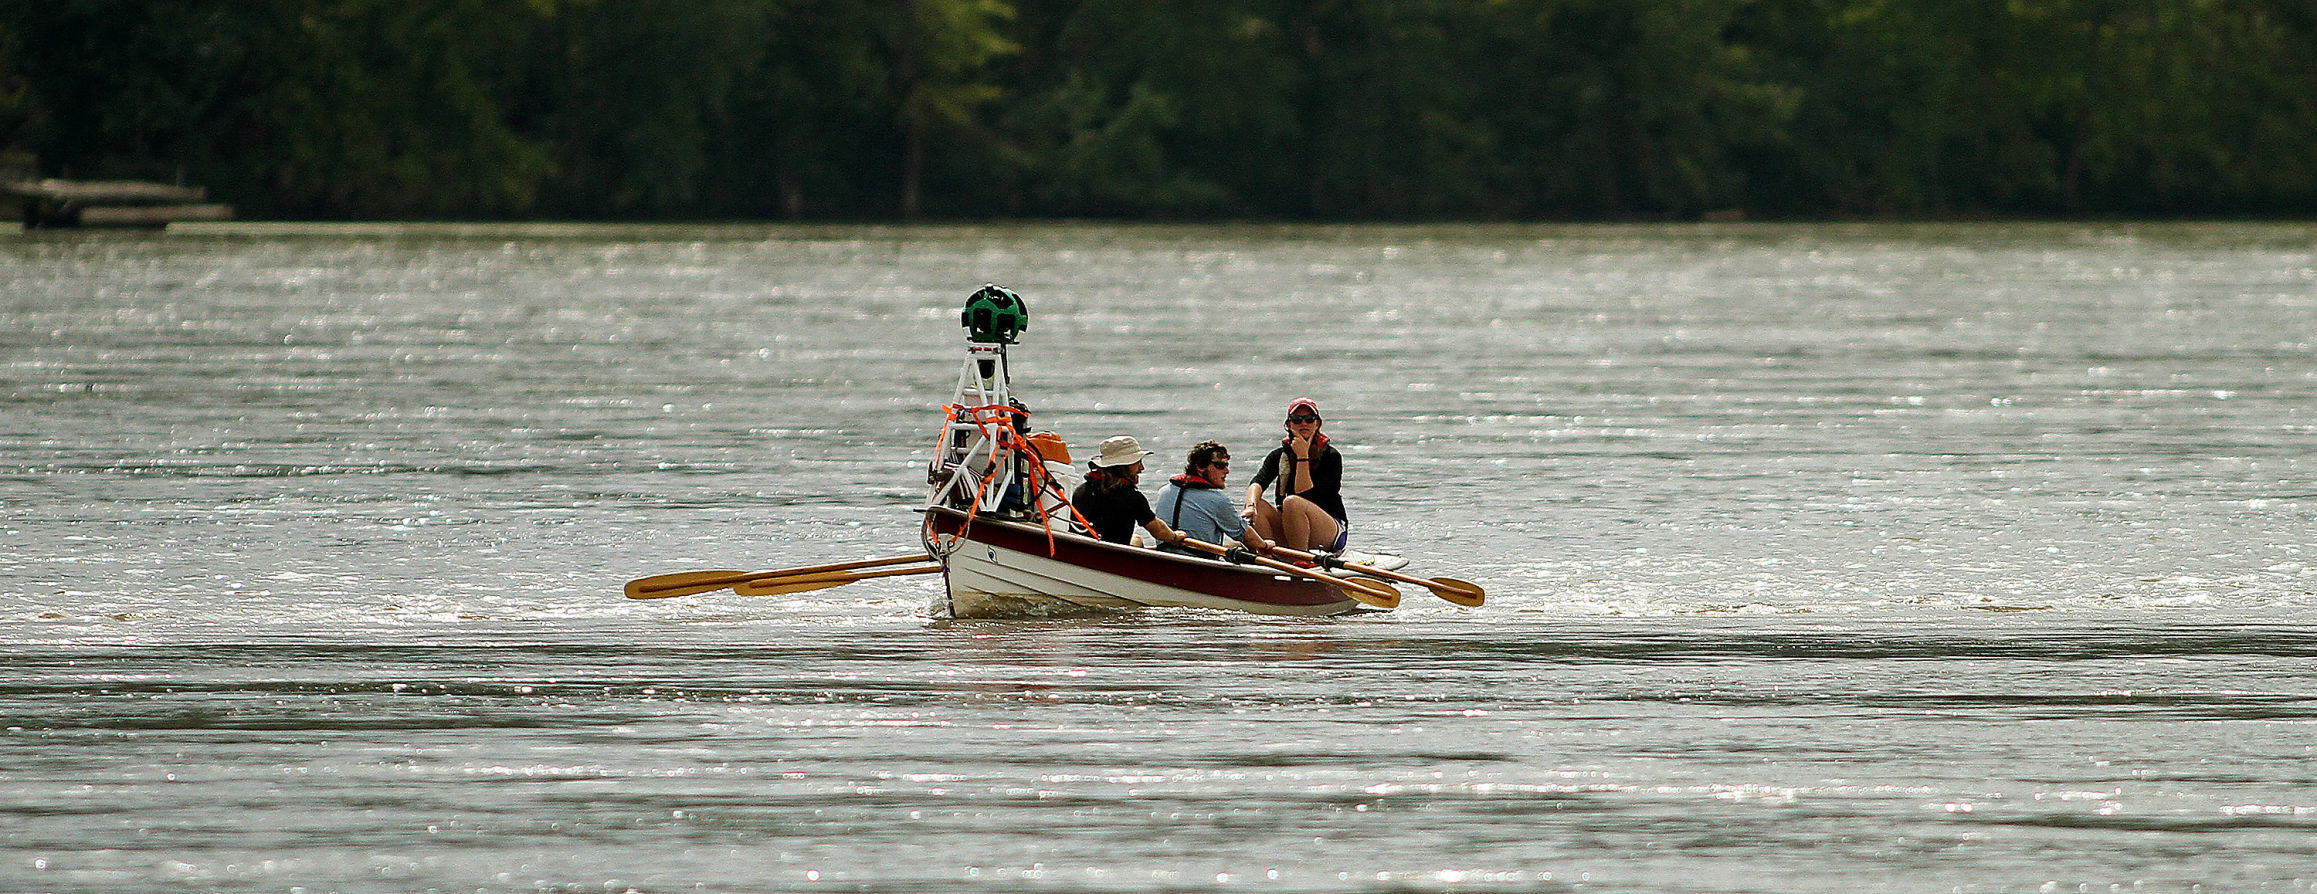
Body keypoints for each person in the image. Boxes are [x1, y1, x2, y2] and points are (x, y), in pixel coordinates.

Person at [1244, 398, 1348, 552]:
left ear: (1317, 424)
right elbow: (1258, 482)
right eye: (1297, 420)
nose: (1304, 424)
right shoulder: (1279, 455)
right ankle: (1268, 555)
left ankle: (1299, 557)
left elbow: (1304, 494)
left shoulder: (1331, 456)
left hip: (1329, 528)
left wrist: (1302, 456)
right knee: (1259, 504)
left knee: (1292, 502)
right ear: (1289, 425)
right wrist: (1250, 505)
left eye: (1309, 419)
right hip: (1292, 524)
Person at [1155, 440, 1273, 557]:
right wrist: (1264, 545)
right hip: (1199, 563)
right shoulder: (1217, 499)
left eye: (1227, 465)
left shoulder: (1164, 491)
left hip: (1165, 557)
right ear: (1200, 467)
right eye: (1220, 465)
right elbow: (1246, 536)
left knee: (1231, 545)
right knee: (1240, 546)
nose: (1227, 471)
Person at [1070, 436, 1190, 548]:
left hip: (1080, 548)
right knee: (1137, 540)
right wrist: (1174, 537)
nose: (1142, 468)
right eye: (1137, 463)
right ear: (1122, 466)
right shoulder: (1131, 497)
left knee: (1136, 539)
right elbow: (1157, 530)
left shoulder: (1081, 490)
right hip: (1111, 556)